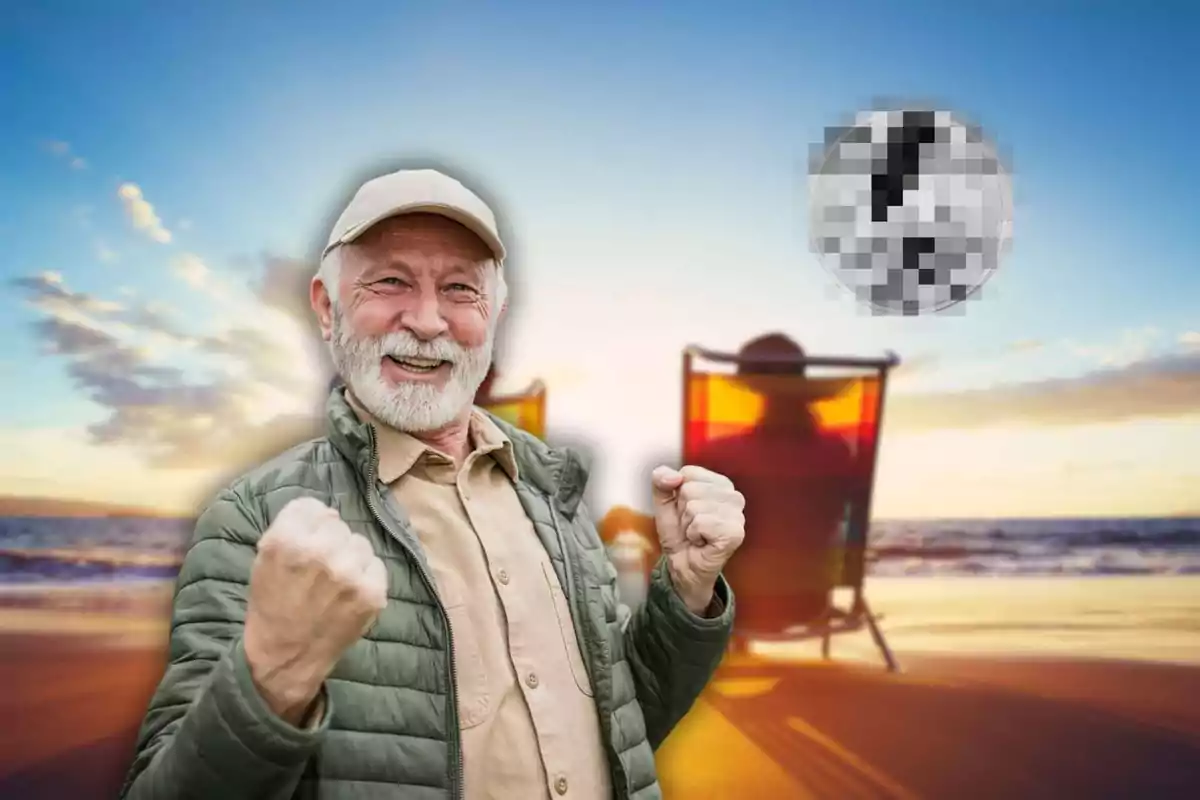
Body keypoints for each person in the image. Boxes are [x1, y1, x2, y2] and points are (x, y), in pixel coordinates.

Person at [119, 167, 745, 800]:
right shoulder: (253, 519)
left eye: (459, 289)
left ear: (496, 312)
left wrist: (686, 591)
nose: (425, 320)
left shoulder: (554, 490)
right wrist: (270, 678)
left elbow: (622, 726)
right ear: (326, 307)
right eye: (390, 281)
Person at [689, 333, 855, 634]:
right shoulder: (838, 450)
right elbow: (842, 514)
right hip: (811, 600)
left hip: (732, 603)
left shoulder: (720, 453)